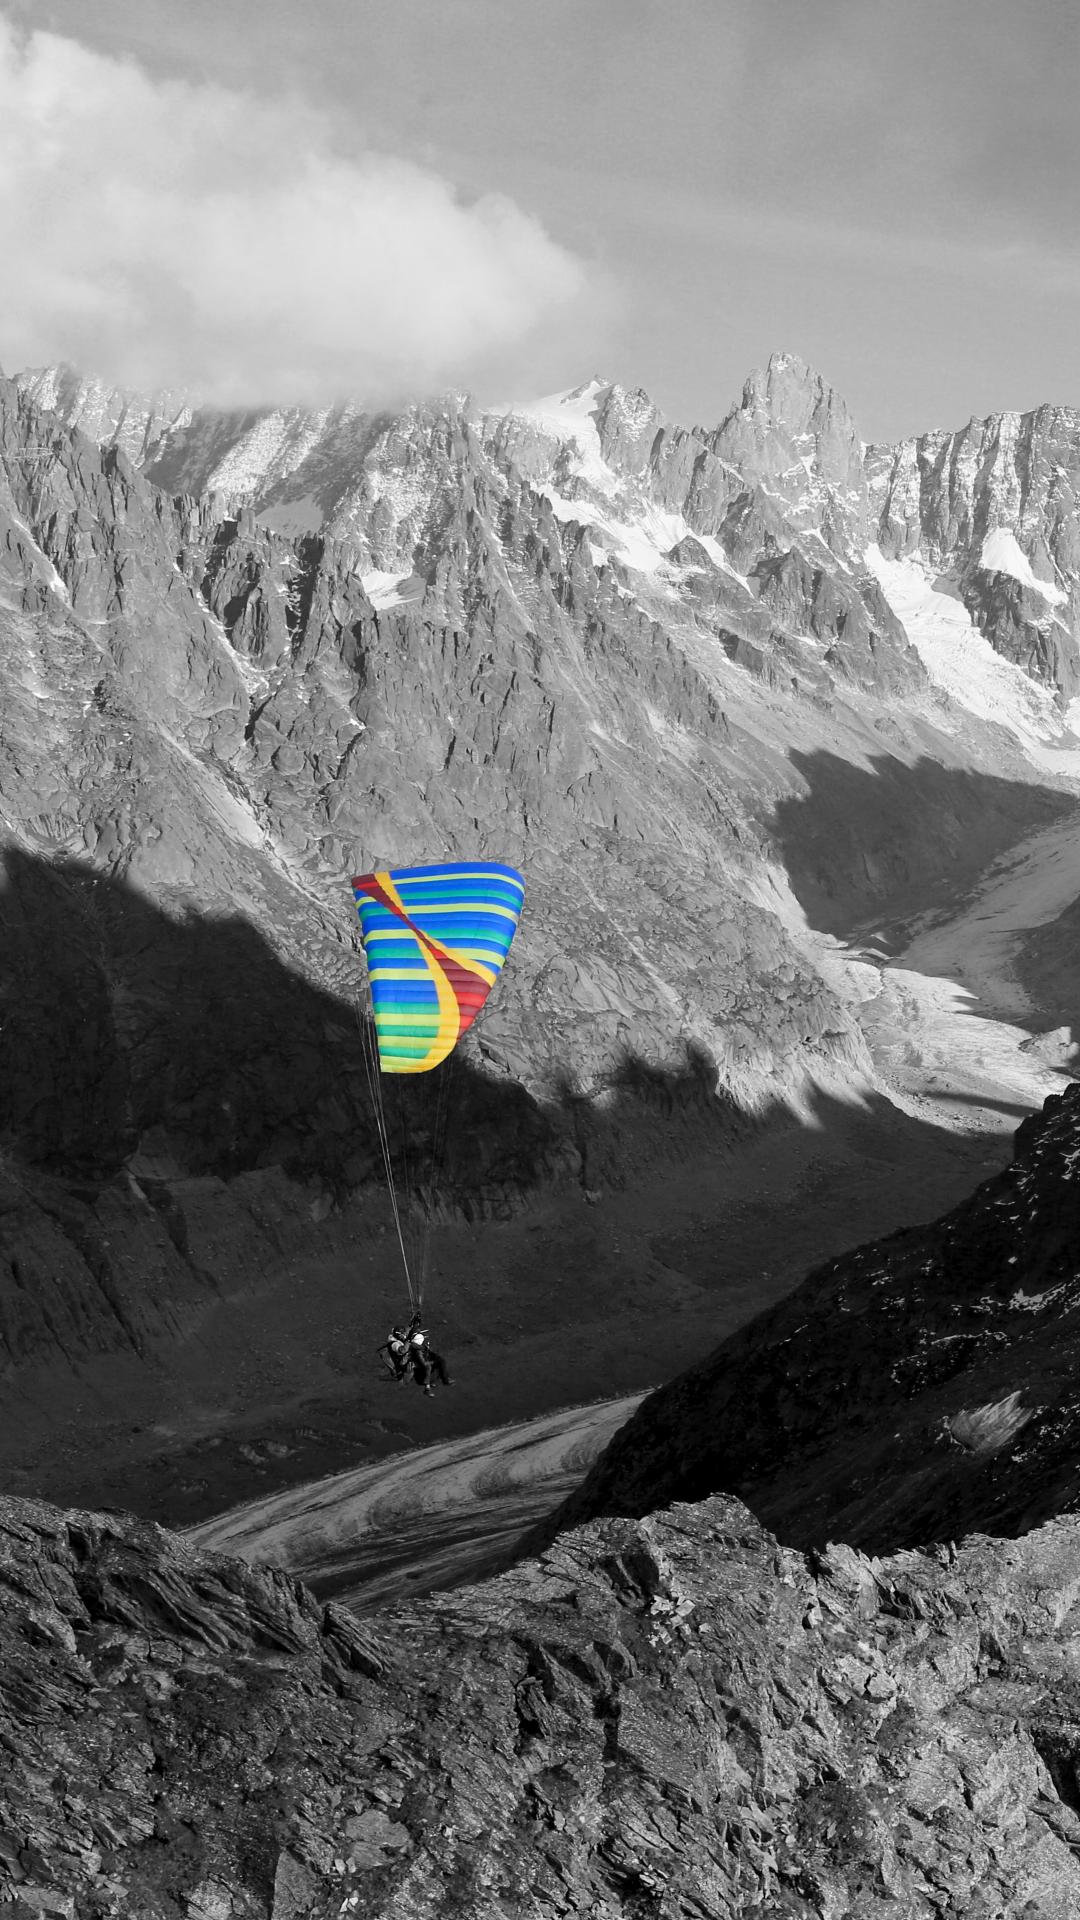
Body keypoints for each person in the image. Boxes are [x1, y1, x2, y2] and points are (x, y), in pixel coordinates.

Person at [406, 1312, 452, 1395]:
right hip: (422, 1365)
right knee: (431, 1366)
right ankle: (427, 1388)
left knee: (440, 1360)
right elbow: (423, 1363)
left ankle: (444, 1379)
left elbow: (414, 1328)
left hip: (424, 1356)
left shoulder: (414, 1338)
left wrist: (417, 1319)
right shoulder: (417, 1351)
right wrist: (432, 1362)